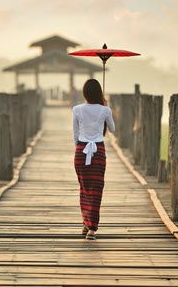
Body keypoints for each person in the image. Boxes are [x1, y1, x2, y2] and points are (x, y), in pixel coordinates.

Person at [72, 78, 115, 240]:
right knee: (96, 189)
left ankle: (86, 222)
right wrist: (106, 108)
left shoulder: (76, 109)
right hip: (98, 152)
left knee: (84, 188)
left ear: (84, 93)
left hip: (81, 151)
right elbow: (112, 129)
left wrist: (80, 148)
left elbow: (75, 135)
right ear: (99, 93)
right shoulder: (105, 110)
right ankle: (91, 228)